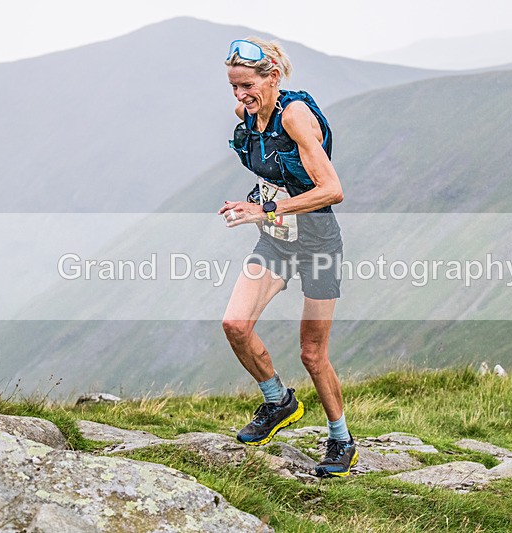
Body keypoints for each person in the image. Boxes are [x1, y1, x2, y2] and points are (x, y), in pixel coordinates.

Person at [218, 37, 357, 477]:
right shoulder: (248, 116)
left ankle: (341, 440)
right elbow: (272, 175)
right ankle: (279, 402)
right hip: (277, 240)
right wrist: (250, 204)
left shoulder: (295, 117)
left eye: (246, 86)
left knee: (312, 354)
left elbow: (332, 189)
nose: (239, 97)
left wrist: (267, 209)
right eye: (233, 87)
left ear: (272, 77)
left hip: (317, 242)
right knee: (235, 325)